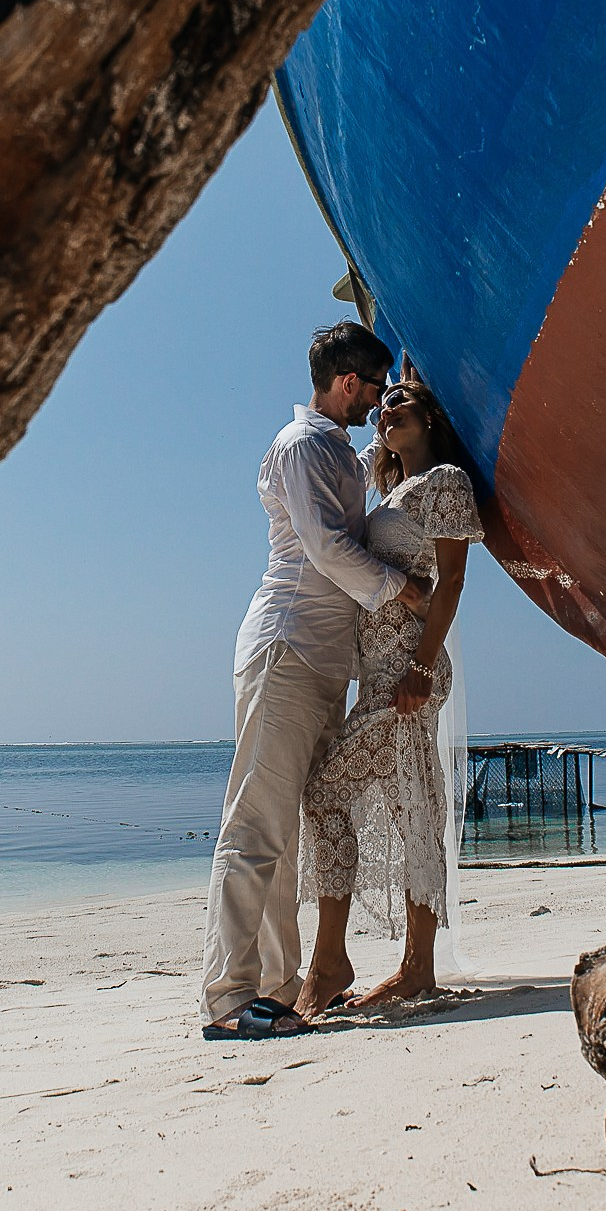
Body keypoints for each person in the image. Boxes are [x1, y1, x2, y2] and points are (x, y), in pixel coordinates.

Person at [200, 324, 430, 1041]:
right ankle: (229, 1000)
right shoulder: (301, 446)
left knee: (288, 832)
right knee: (255, 825)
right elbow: (327, 546)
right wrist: (403, 592)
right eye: (372, 387)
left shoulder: (333, 448)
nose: (374, 404)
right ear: (345, 383)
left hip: (324, 660)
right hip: (288, 648)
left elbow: (370, 464)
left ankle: (277, 984)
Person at [295, 379, 484, 1016]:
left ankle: (341, 964)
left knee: (328, 795)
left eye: (401, 400)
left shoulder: (446, 481)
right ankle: (412, 967)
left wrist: (423, 669)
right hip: (381, 675)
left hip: (409, 674)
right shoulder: (393, 494)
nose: (386, 409)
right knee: (413, 810)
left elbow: (452, 579)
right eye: (384, 405)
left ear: (431, 416)